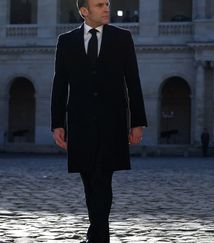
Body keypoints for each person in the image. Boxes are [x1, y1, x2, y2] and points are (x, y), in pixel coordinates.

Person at [51, 0, 147, 242]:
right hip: (80, 121)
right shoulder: (66, 41)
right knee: (89, 179)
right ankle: (97, 233)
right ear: (84, 11)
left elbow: (133, 82)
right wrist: (57, 123)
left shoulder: (122, 38)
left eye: (107, 3)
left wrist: (137, 122)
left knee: (103, 177)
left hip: (112, 121)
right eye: (99, 4)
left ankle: (98, 236)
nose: (106, 8)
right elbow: (60, 84)